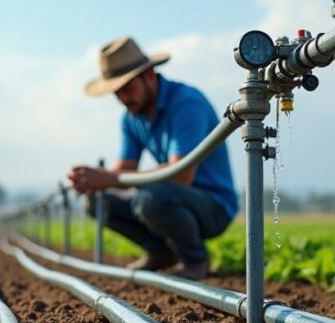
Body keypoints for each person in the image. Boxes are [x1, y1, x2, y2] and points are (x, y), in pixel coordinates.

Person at [66, 36, 238, 281]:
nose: (123, 99)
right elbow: (123, 170)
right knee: (99, 201)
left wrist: (108, 177)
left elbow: (181, 175)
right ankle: (161, 252)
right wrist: (95, 182)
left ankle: (196, 259)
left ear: (148, 75)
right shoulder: (131, 117)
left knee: (151, 197)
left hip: (212, 205)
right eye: (117, 93)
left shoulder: (187, 103)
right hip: (171, 197)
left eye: (127, 88)